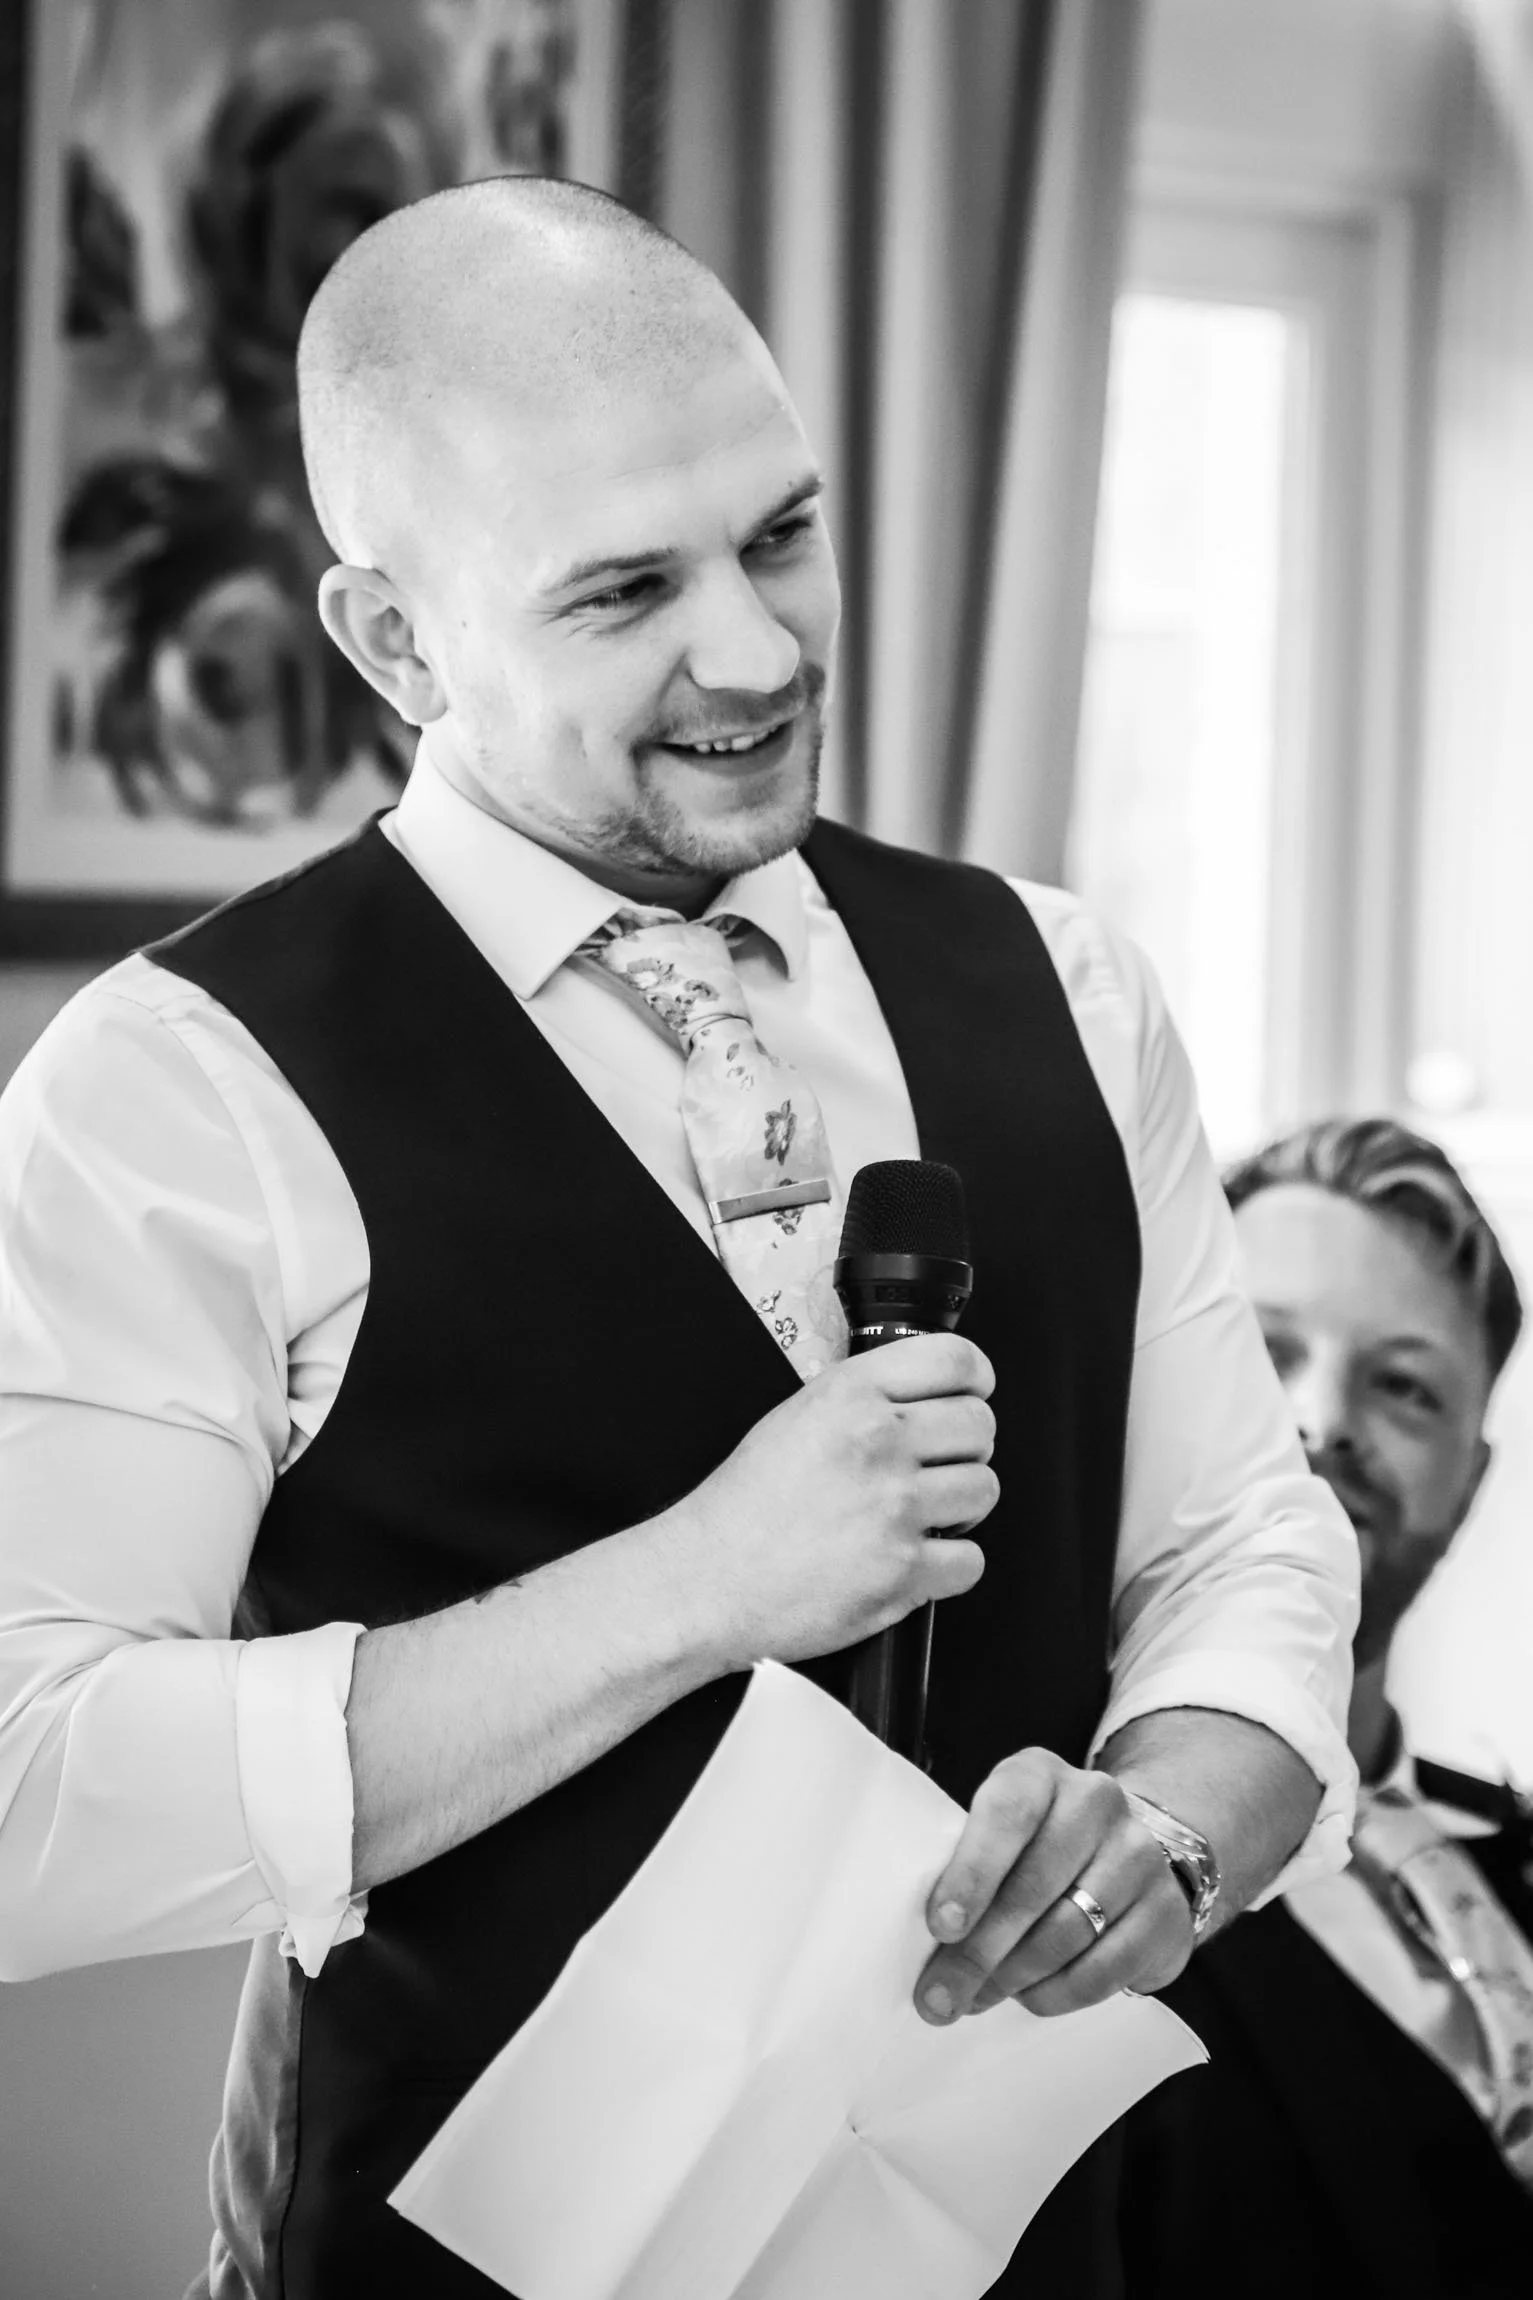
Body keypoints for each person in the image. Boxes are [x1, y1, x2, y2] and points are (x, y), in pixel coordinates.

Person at [0, 178, 1358, 2300]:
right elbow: (26, 1786)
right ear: (393, 639)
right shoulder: (176, 1089)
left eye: (782, 534)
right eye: (626, 588)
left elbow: (1236, 1539)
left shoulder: (1069, 986)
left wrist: (1179, 1820)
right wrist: (697, 1584)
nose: (756, 651)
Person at [1120, 1116, 1533, 2299]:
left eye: (1404, 1384)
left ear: (1471, 1479)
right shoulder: (1077, 1868)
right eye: (1266, 1351)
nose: (1323, 1418)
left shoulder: (1505, 1852)